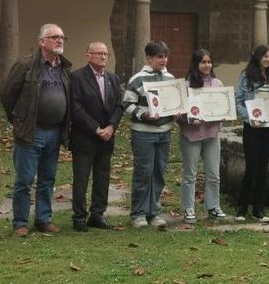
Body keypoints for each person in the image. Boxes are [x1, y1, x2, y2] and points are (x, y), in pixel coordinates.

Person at [0, 23, 72, 237]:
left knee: (48, 179)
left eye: (62, 37)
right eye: (54, 37)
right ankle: (20, 222)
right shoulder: (26, 65)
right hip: (31, 132)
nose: (60, 40)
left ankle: (44, 219)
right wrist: (19, 121)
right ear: (42, 42)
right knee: (24, 180)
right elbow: (8, 96)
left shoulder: (64, 68)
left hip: (55, 133)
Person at [69, 41, 124, 232]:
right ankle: (79, 217)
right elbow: (75, 107)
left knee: (102, 178)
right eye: (98, 53)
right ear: (88, 55)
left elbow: (119, 105)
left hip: (106, 138)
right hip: (85, 137)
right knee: (81, 178)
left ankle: (98, 214)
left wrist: (111, 127)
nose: (103, 57)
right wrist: (95, 128)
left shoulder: (113, 79)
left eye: (106, 54)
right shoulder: (77, 77)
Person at [123, 40, 175, 229]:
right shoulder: (137, 79)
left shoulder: (170, 78)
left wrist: (177, 110)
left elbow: (174, 102)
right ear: (149, 58)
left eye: (165, 56)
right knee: (143, 172)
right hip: (143, 133)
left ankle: (154, 212)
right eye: (159, 57)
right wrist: (143, 114)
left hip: (165, 132)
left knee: (159, 172)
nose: (163, 60)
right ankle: (138, 213)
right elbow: (127, 104)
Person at [177, 49, 226, 224]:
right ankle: (189, 208)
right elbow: (178, 113)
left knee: (214, 174)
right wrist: (188, 119)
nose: (207, 65)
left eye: (209, 62)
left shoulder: (217, 84)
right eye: (203, 62)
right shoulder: (186, 85)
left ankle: (213, 206)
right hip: (191, 136)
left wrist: (223, 114)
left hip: (211, 135)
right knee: (190, 174)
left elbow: (223, 107)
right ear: (196, 64)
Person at [234, 44, 269, 223]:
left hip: (268, 128)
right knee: (251, 168)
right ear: (258, 57)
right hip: (252, 128)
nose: (268, 59)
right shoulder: (246, 76)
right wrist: (249, 118)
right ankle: (242, 208)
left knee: (263, 168)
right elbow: (238, 101)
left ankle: (259, 209)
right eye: (265, 56)